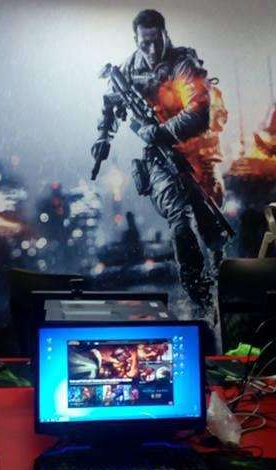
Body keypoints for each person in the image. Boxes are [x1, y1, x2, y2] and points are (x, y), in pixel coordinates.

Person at [92, 9, 227, 317]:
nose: (152, 50)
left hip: (197, 151)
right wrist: (103, 136)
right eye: (145, 43)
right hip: (160, 157)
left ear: (166, 35)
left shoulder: (183, 64)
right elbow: (110, 104)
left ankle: (221, 283)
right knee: (180, 221)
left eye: (156, 41)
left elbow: (199, 113)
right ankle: (199, 295)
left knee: (213, 224)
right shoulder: (128, 69)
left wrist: (161, 131)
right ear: (136, 41)